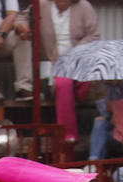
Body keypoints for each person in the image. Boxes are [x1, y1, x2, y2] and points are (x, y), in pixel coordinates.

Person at [39, 0, 100, 145]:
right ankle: (67, 135)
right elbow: (23, 19)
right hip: (53, 65)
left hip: (78, 61)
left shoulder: (84, 6)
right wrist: (21, 27)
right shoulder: (41, 5)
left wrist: (74, 52)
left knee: (81, 83)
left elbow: (94, 36)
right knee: (63, 82)